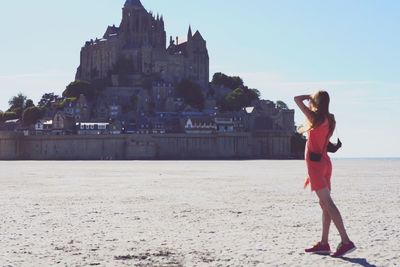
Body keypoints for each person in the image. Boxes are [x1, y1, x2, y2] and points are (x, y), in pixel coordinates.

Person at [294, 91, 356, 258]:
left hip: (315, 166)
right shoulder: (329, 119)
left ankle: (346, 241)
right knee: (324, 204)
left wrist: (309, 97)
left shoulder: (315, 117)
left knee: (328, 203)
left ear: (316, 101)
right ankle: (324, 243)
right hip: (325, 163)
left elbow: (296, 99)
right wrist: (314, 98)